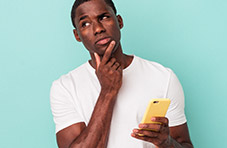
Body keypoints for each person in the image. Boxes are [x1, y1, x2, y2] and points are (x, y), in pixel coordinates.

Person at [50, 0, 193, 147]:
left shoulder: (164, 77)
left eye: (104, 17)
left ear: (119, 21)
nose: (98, 28)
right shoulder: (64, 88)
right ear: (77, 35)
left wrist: (167, 143)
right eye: (85, 23)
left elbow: (185, 144)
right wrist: (108, 91)